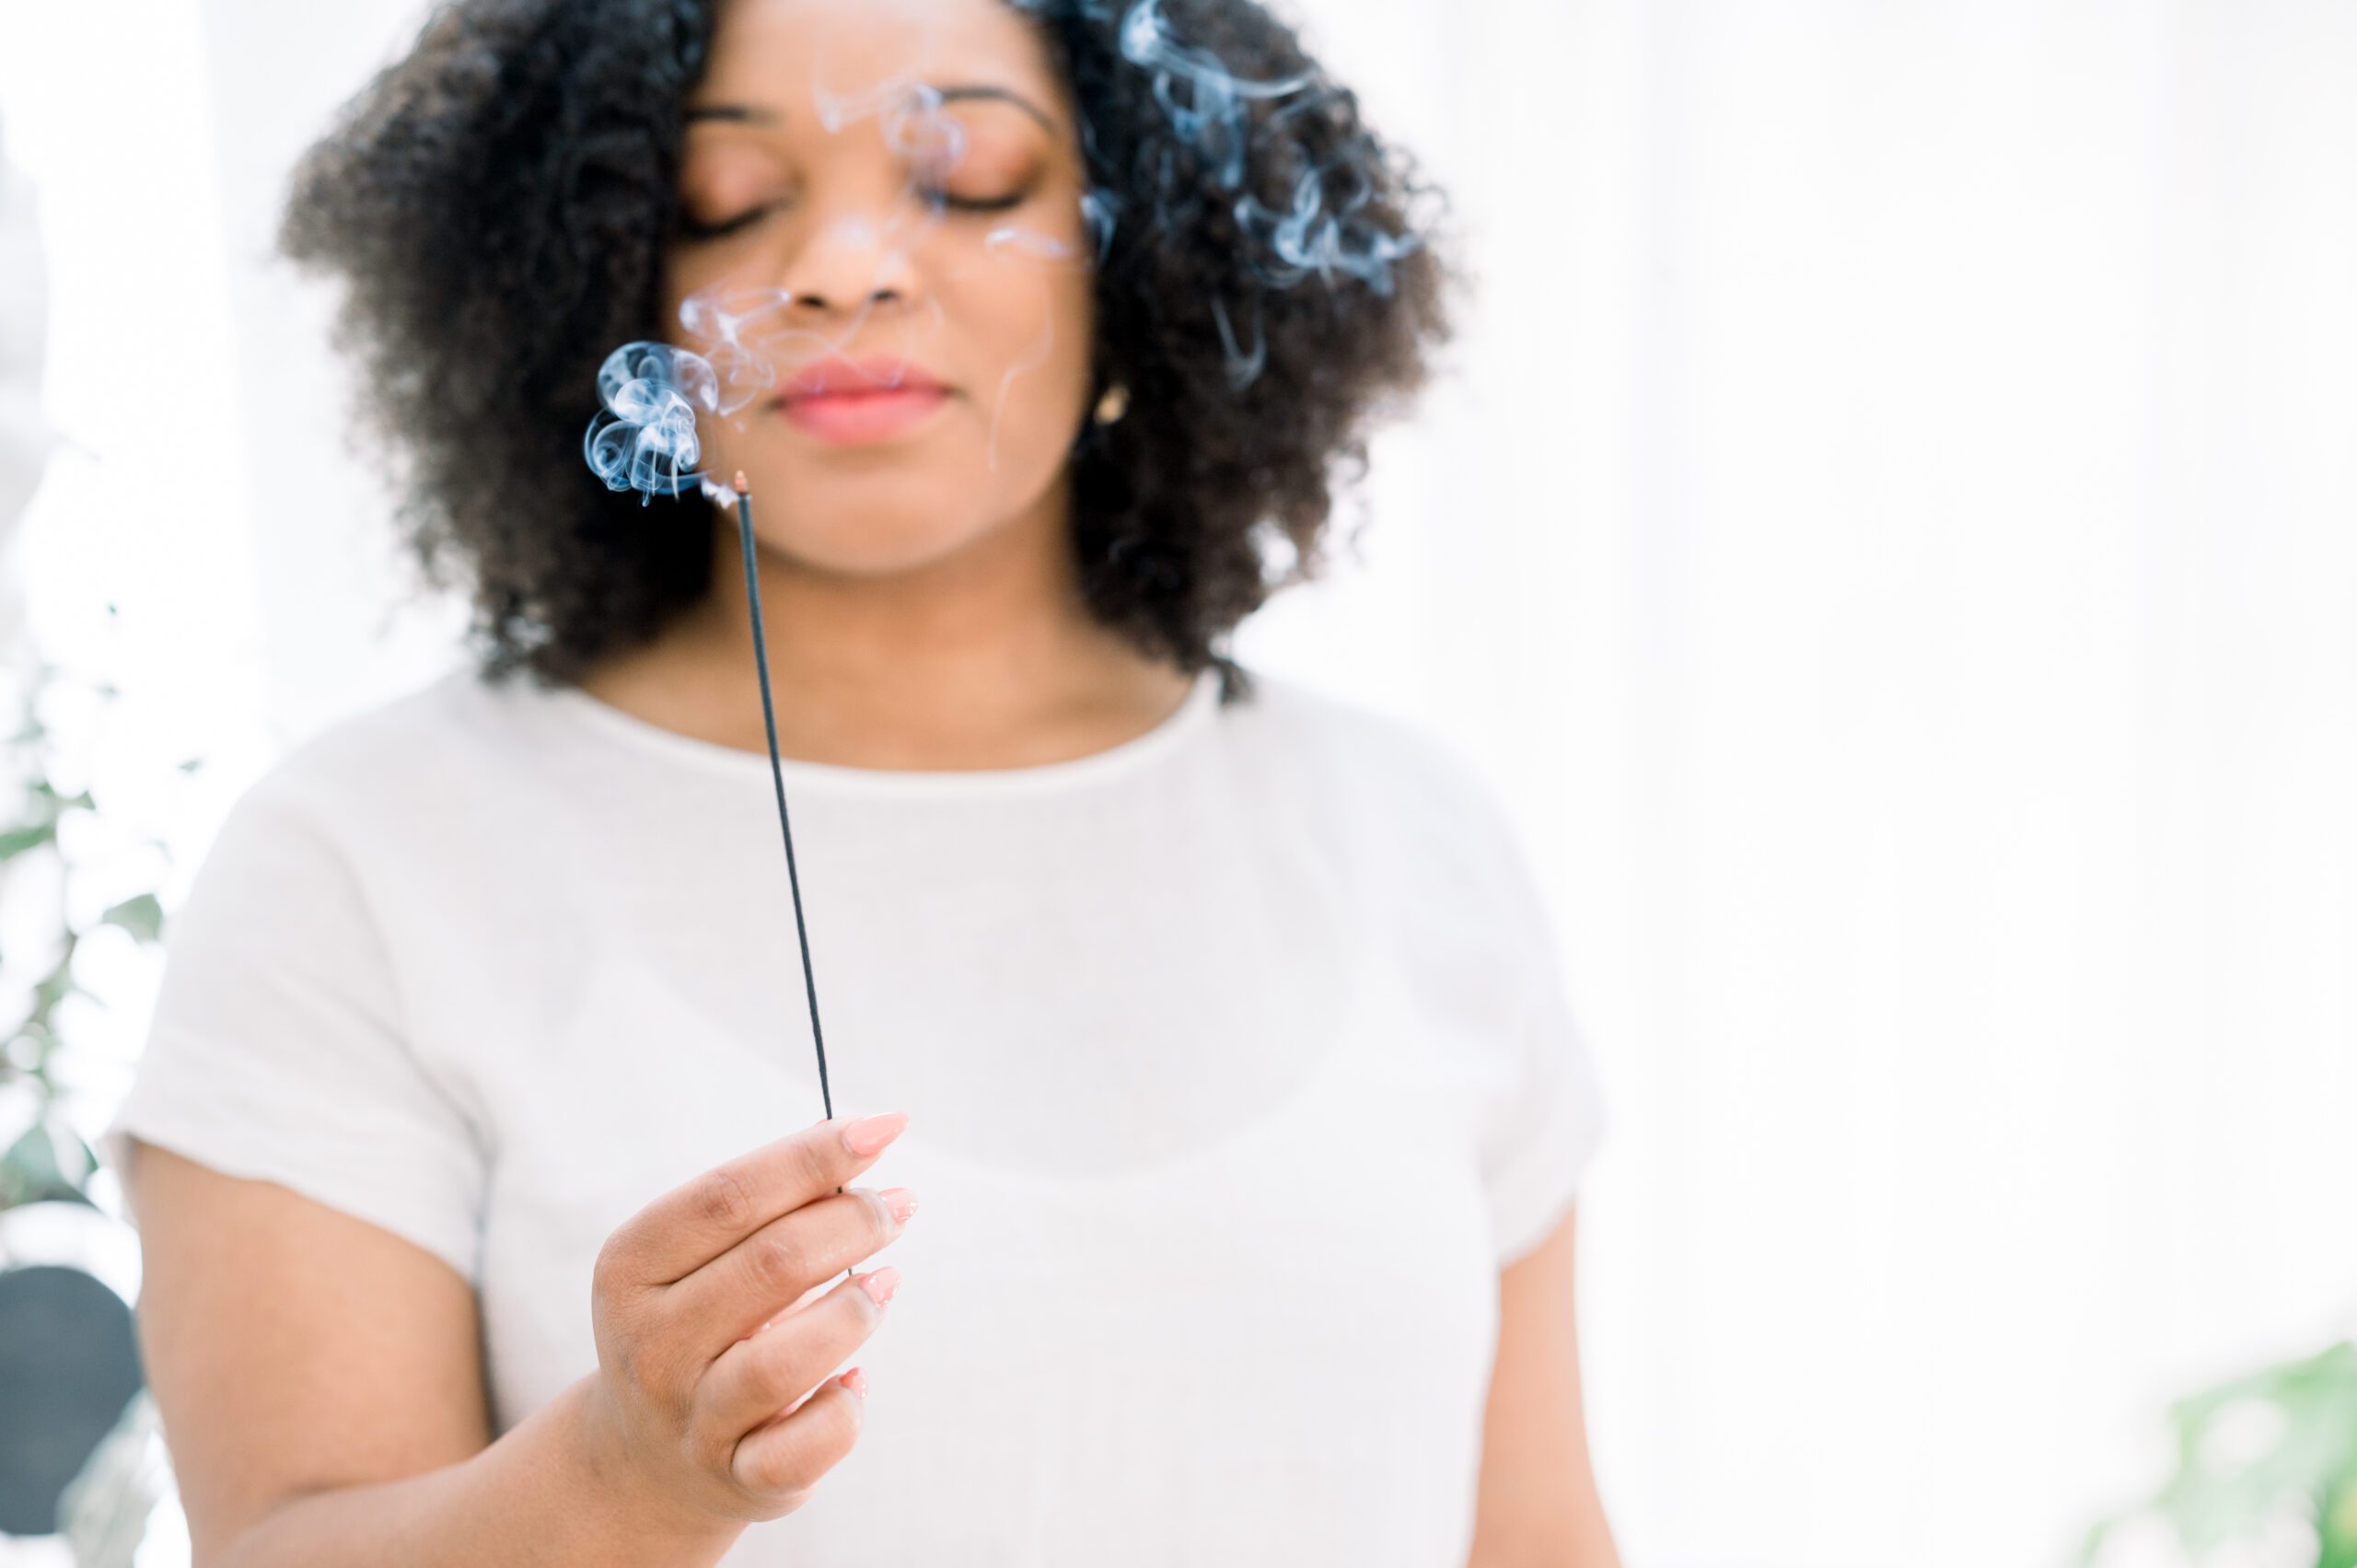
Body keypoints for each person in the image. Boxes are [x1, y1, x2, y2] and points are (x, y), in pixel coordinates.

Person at [101, 0, 1619, 1562]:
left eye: (966, 178)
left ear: (1149, 254)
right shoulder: (367, 859)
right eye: (729, 202)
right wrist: (629, 1476)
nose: (839, 266)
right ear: (604, 265)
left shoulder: (1410, 838)